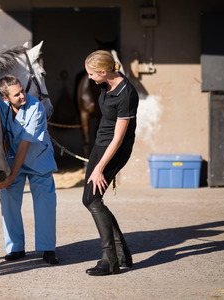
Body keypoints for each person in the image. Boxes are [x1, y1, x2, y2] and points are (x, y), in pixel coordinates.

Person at [82, 50, 138, 276]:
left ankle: (110, 259)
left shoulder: (126, 94)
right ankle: (121, 253)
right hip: (101, 143)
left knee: (92, 198)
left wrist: (99, 168)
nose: (89, 78)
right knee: (90, 198)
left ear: (103, 72)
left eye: (91, 74)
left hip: (115, 149)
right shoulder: (105, 84)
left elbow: (119, 138)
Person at [0, 75, 58, 264]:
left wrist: (12, 175)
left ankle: (47, 249)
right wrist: (5, 170)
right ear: (5, 98)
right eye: (17, 94)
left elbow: (24, 144)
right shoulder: (0, 107)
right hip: (13, 159)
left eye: (22, 90)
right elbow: (4, 138)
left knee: (45, 204)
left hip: (38, 159)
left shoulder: (36, 107)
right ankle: (15, 248)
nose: (23, 95)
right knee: (8, 201)